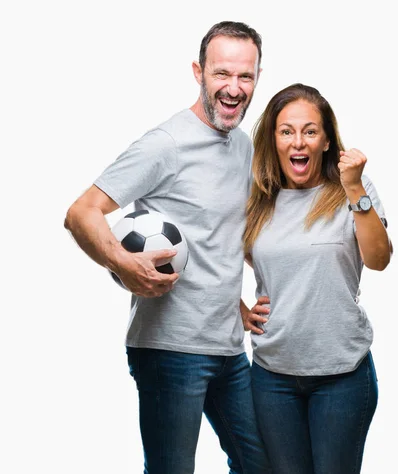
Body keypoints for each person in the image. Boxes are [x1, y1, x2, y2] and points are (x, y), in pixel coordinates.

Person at [64, 21, 272, 474]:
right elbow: (81, 212)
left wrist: (233, 305)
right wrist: (123, 261)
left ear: (257, 78)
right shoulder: (166, 144)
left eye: (245, 76)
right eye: (222, 74)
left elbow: (215, 236)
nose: (233, 88)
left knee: (264, 463)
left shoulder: (242, 147)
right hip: (169, 350)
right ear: (199, 72)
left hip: (229, 350)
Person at [242, 83, 392, 474]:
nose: (298, 142)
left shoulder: (350, 192)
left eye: (310, 131)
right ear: (273, 139)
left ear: (326, 140)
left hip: (342, 377)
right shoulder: (258, 200)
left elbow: (378, 259)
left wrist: (355, 187)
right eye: (287, 131)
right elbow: (217, 261)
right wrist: (237, 309)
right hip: (273, 376)